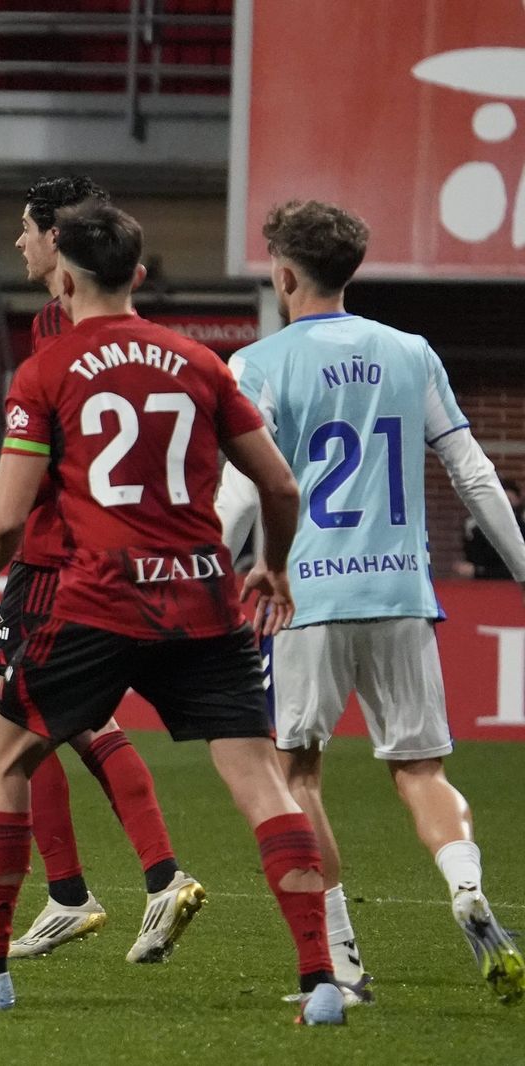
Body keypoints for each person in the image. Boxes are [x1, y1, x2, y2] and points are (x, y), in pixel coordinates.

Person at [0, 202, 345, 1025]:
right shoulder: (202, 362)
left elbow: (6, 518)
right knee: (261, 780)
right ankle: (323, 980)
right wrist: (275, 569)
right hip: (205, 600)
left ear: (65, 277)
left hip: (98, 599)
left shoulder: (46, 370)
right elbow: (282, 486)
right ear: (138, 276)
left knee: (3, 757)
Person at [215, 200, 525, 1007]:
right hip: (400, 592)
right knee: (421, 768)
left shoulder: (259, 363)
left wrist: (206, 569)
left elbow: (247, 493)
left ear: (284, 272)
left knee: (298, 776)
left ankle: (343, 965)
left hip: (305, 597)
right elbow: (474, 473)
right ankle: (464, 885)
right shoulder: (411, 352)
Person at [0, 175, 198, 964]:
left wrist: (5, 545)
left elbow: (52, 449)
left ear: (56, 239)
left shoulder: (62, 327)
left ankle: (106, 887)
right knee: (56, 722)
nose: (19, 242)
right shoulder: (79, 319)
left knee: (24, 727)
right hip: (100, 553)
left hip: (55, 555)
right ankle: (96, 888)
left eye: (26, 228)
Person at [460, 478, 525, 580]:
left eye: (509, 501)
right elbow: (473, 561)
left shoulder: (522, 529)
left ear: (518, 500)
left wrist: (478, 571)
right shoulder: (478, 530)